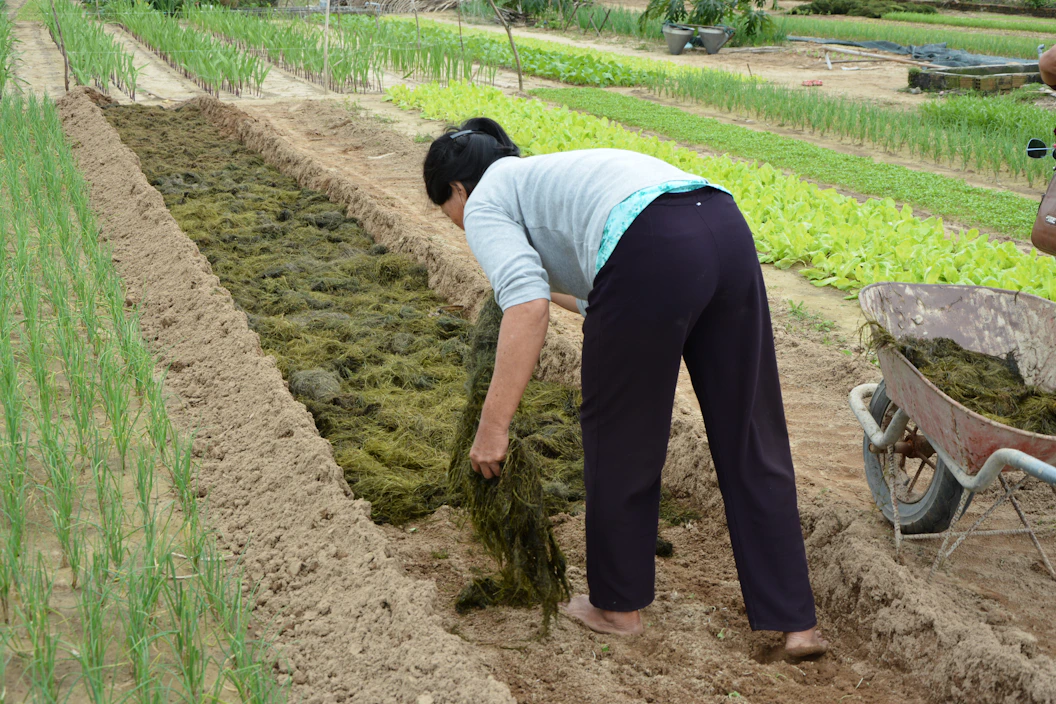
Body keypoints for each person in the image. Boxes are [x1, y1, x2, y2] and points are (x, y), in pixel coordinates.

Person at [423, 118, 829, 658]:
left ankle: (616, 606)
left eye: (447, 212)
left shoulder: (484, 201)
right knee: (751, 435)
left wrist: (492, 429)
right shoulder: (546, 180)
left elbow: (526, 304)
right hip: (723, 228)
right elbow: (605, 291)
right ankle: (798, 623)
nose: (456, 224)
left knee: (621, 435)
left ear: (455, 189)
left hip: (651, 247)